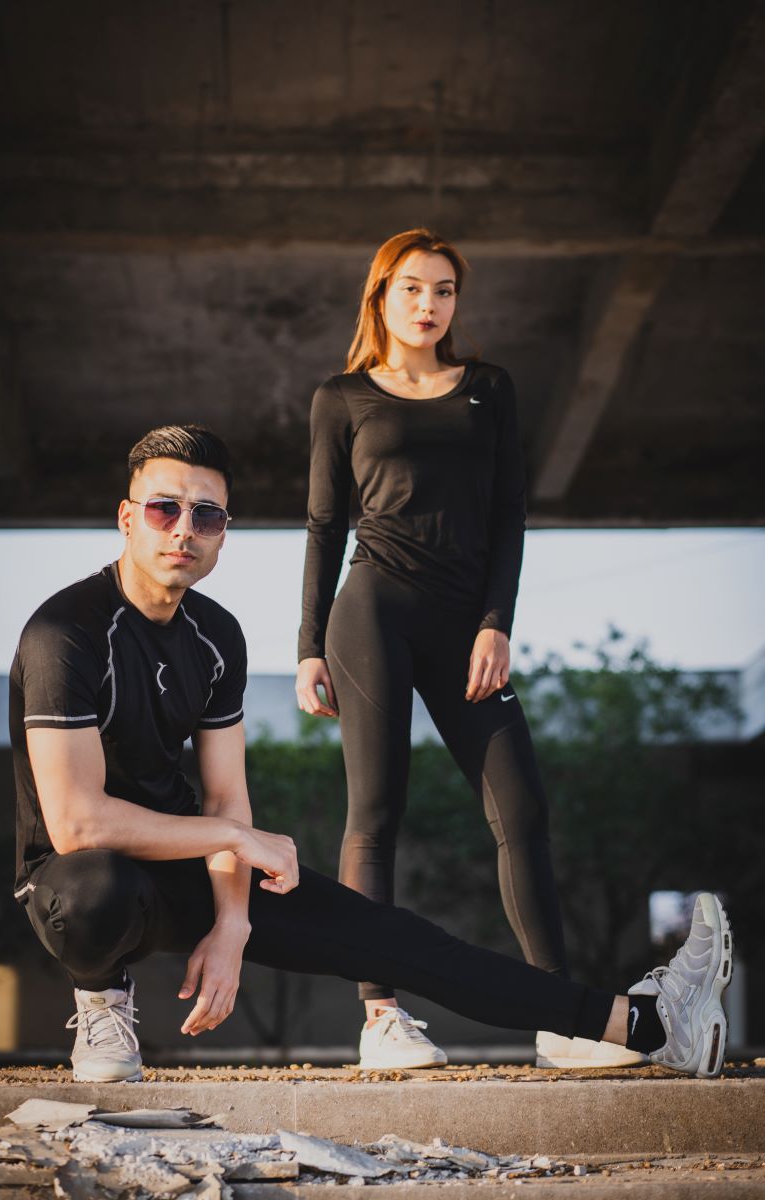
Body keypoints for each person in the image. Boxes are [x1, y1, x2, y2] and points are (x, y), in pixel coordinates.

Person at [10, 424, 732, 1084]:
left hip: (188, 864)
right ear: (127, 518)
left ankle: (649, 1023)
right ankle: (101, 999)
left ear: (224, 533)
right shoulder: (65, 634)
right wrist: (233, 837)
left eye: (208, 516)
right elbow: (78, 823)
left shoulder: (216, 635)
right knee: (95, 890)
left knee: (398, 940)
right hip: (75, 880)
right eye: (165, 509)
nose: (184, 530)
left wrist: (232, 921)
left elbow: (227, 796)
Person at [295, 229, 627, 1070]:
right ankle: (380, 1019)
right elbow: (325, 526)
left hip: (465, 625)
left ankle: (562, 1019)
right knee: (377, 812)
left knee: (523, 807)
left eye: (444, 290)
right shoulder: (341, 397)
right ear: (382, 296)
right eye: (413, 288)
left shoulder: (489, 388)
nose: (429, 304)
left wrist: (496, 622)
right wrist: (308, 646)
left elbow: (509, 512)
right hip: (372, 613)